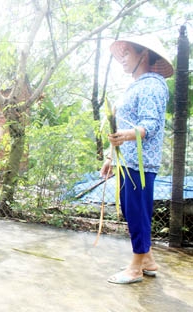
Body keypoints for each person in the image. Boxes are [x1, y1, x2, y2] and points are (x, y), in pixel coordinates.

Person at [100, 34, 174, 284]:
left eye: (127, 53)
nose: (122, 59)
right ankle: (149, 260)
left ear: (144, 55)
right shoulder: (137, 85)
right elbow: (124, 126)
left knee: (137, 212)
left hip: (141, 164)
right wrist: (112, 157)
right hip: (127, 160)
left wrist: (129, 135)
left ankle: (135, 268)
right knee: (133, 211)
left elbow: (150, 124)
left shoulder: (152, 85)